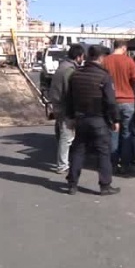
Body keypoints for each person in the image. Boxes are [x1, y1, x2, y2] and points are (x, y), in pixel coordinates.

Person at [65, 45, 121, 196]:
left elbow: (69, 99)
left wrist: (70, 117)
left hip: (80, 119)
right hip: (98, 120)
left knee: (78, 151)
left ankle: (72, 184)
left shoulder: (76, 75)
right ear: (101, 58)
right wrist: (116, 119)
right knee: (103, 152)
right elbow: (110, 101)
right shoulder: (104, 77)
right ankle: (105, 185)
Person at [103, 40, 135, 174]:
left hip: (111, 101)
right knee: (126, 133)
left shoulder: (105, 61)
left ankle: (112, 163)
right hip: (128, 100)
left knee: (113, 132)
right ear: (124, 48)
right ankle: (125, 165)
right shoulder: (129, 61)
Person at [48, 44, 85, 174]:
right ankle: (62, 165)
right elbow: (70, 91)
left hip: (57, 105)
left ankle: (63, 162)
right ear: (78, 57)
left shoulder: (62, 66)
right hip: (64, 106)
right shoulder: (69, 70)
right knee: (67, 137)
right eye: (82, 56)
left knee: (63, 134)